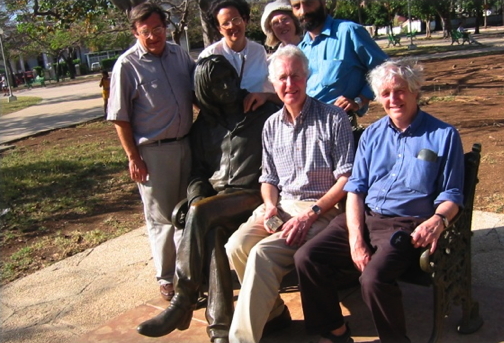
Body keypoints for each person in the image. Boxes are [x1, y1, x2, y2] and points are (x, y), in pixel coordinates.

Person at [294, 59, 465, 343]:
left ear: (415, 91)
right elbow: (356, 190)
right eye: (385, 93)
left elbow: (452, 194)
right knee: (306, 258)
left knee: (372, 280)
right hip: (366, 216)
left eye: (400, 90)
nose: (393, 99)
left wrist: (439, 219)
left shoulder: (443, 136)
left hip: (406, 226)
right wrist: (356, 239)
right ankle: (334, 331)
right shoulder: (372, 135)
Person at [136, 55, 279, 343]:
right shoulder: (203, 127)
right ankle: (219, 332)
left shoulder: (260, 111)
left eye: (228, 78)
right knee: (211, 232)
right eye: (217, 84)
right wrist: (196, 195)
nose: (226, 86)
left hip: (254, 196)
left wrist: (268, 94)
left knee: (200, 214)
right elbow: (198, 173)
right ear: (204, 90)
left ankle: (183, 299)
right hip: (217, 206)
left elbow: (295, 104)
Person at [225, 45, 355, 343]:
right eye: (282, 78)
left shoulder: (334, 118)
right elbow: (268, 177)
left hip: (321, 210)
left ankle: (241, 339)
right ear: (273, 83)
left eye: (295, 76)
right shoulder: (271, 125)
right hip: (280, 206)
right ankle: (273, 313)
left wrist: (312, 214)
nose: (289, 84)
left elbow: (347, 178)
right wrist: (269, 205)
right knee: (235, 246)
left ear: (306, 77)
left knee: (262, 255)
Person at [106, 2, 195, 301]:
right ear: (135, 32)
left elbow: (199, 89)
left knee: (186, 214)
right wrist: (134, 157)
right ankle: (166, 278)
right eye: (146, 32)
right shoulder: (127, 65)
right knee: (161, 219)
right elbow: (120, 117)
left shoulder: (179, 54)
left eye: (158, 29)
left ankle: (189, 273)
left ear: (165, 27)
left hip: (186, 144)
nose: (154, 36)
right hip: (153, 154)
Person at [291, 0, 387, 128]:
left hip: (340, 125)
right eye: (297, 6)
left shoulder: (348, 32)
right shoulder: (301, 50)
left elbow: (385, 70)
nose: (303, 11)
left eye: (308, 3)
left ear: (323, 3)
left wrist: (359, 101)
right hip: (308, 126)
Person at [200, 0, 281, 111]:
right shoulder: (209, 55)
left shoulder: (258, 51)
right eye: (225, 23)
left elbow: (266, 86)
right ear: (219, 28)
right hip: (225, 121)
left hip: (256, 116)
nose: (232, 26)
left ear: (245, 20)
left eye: (236, 19)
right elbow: (200, 97)